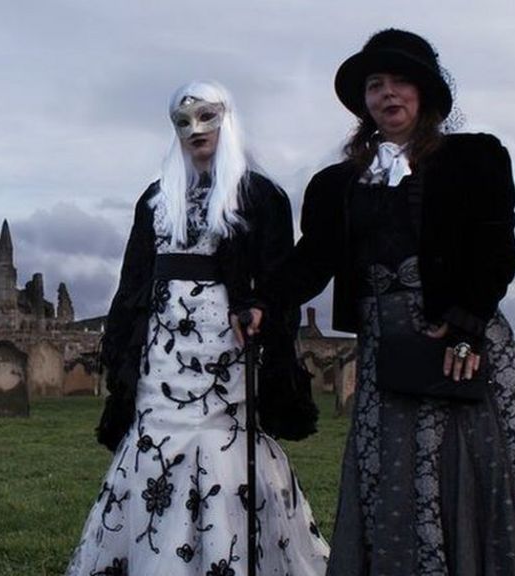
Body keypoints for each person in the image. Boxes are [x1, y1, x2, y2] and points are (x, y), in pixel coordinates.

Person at [269, 29, 515, 575]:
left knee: (474, 472)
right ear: (364, 102)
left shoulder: (474, 158)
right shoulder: (337, 183)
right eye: (375, 84)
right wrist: (260, 302)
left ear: (426, 94)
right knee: (393, 480)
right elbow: (312, 260)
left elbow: (496, 248)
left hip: (461, 343)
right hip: (388, 352)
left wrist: (466, 325)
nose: (388, 94)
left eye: (401, 81)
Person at [65, 80, 328, 576]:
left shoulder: (260, 195)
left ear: (227, 120)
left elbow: (277, 277)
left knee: (224, 442)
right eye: (183, 122)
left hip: (225, 347)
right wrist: (123, 345)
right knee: (156, 438)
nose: (195, 129)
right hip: (162, 347)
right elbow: (133, 279)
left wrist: (260, 310)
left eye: (207, 117)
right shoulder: (155, 198)